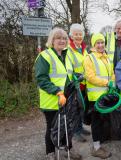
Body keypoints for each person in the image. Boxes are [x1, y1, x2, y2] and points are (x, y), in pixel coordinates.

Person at [35, 27, 82, 160]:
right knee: (52, 127)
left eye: (64, 38)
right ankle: (50, 153)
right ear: (52, 40)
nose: (62, 41)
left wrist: (77, 77)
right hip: (51, 100)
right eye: (58, 38)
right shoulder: (44, 56)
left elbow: (67, 75)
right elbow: (42, 79)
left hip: (66, 99)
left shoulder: (66, 55)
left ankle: (69, 148)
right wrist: (57, 91)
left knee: (67, 125)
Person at [83, 33, 114, 159]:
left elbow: (111, 74)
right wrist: (107, 82)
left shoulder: (106, 58)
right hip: (95, 97)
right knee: (96, 122)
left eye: (102, 42)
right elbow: (90, 77)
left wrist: (112, 81)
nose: (100, 45)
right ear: (93, 45)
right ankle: (96, 148)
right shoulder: (89, 58)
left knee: (102, 121)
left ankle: (99, 143)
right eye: (98, 43)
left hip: (106, 95)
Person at [67, 23, 90, 143]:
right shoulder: (69, 49)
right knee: (75, 109)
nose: (78, 36)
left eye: (80, 34)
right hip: (75, 84)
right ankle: (75, 131)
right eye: (76, 34)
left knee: (82, 107)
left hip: (84, 83)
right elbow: (68, 67)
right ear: (71, 35)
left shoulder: (84, 48)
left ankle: (80, 127)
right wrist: (76, 78)